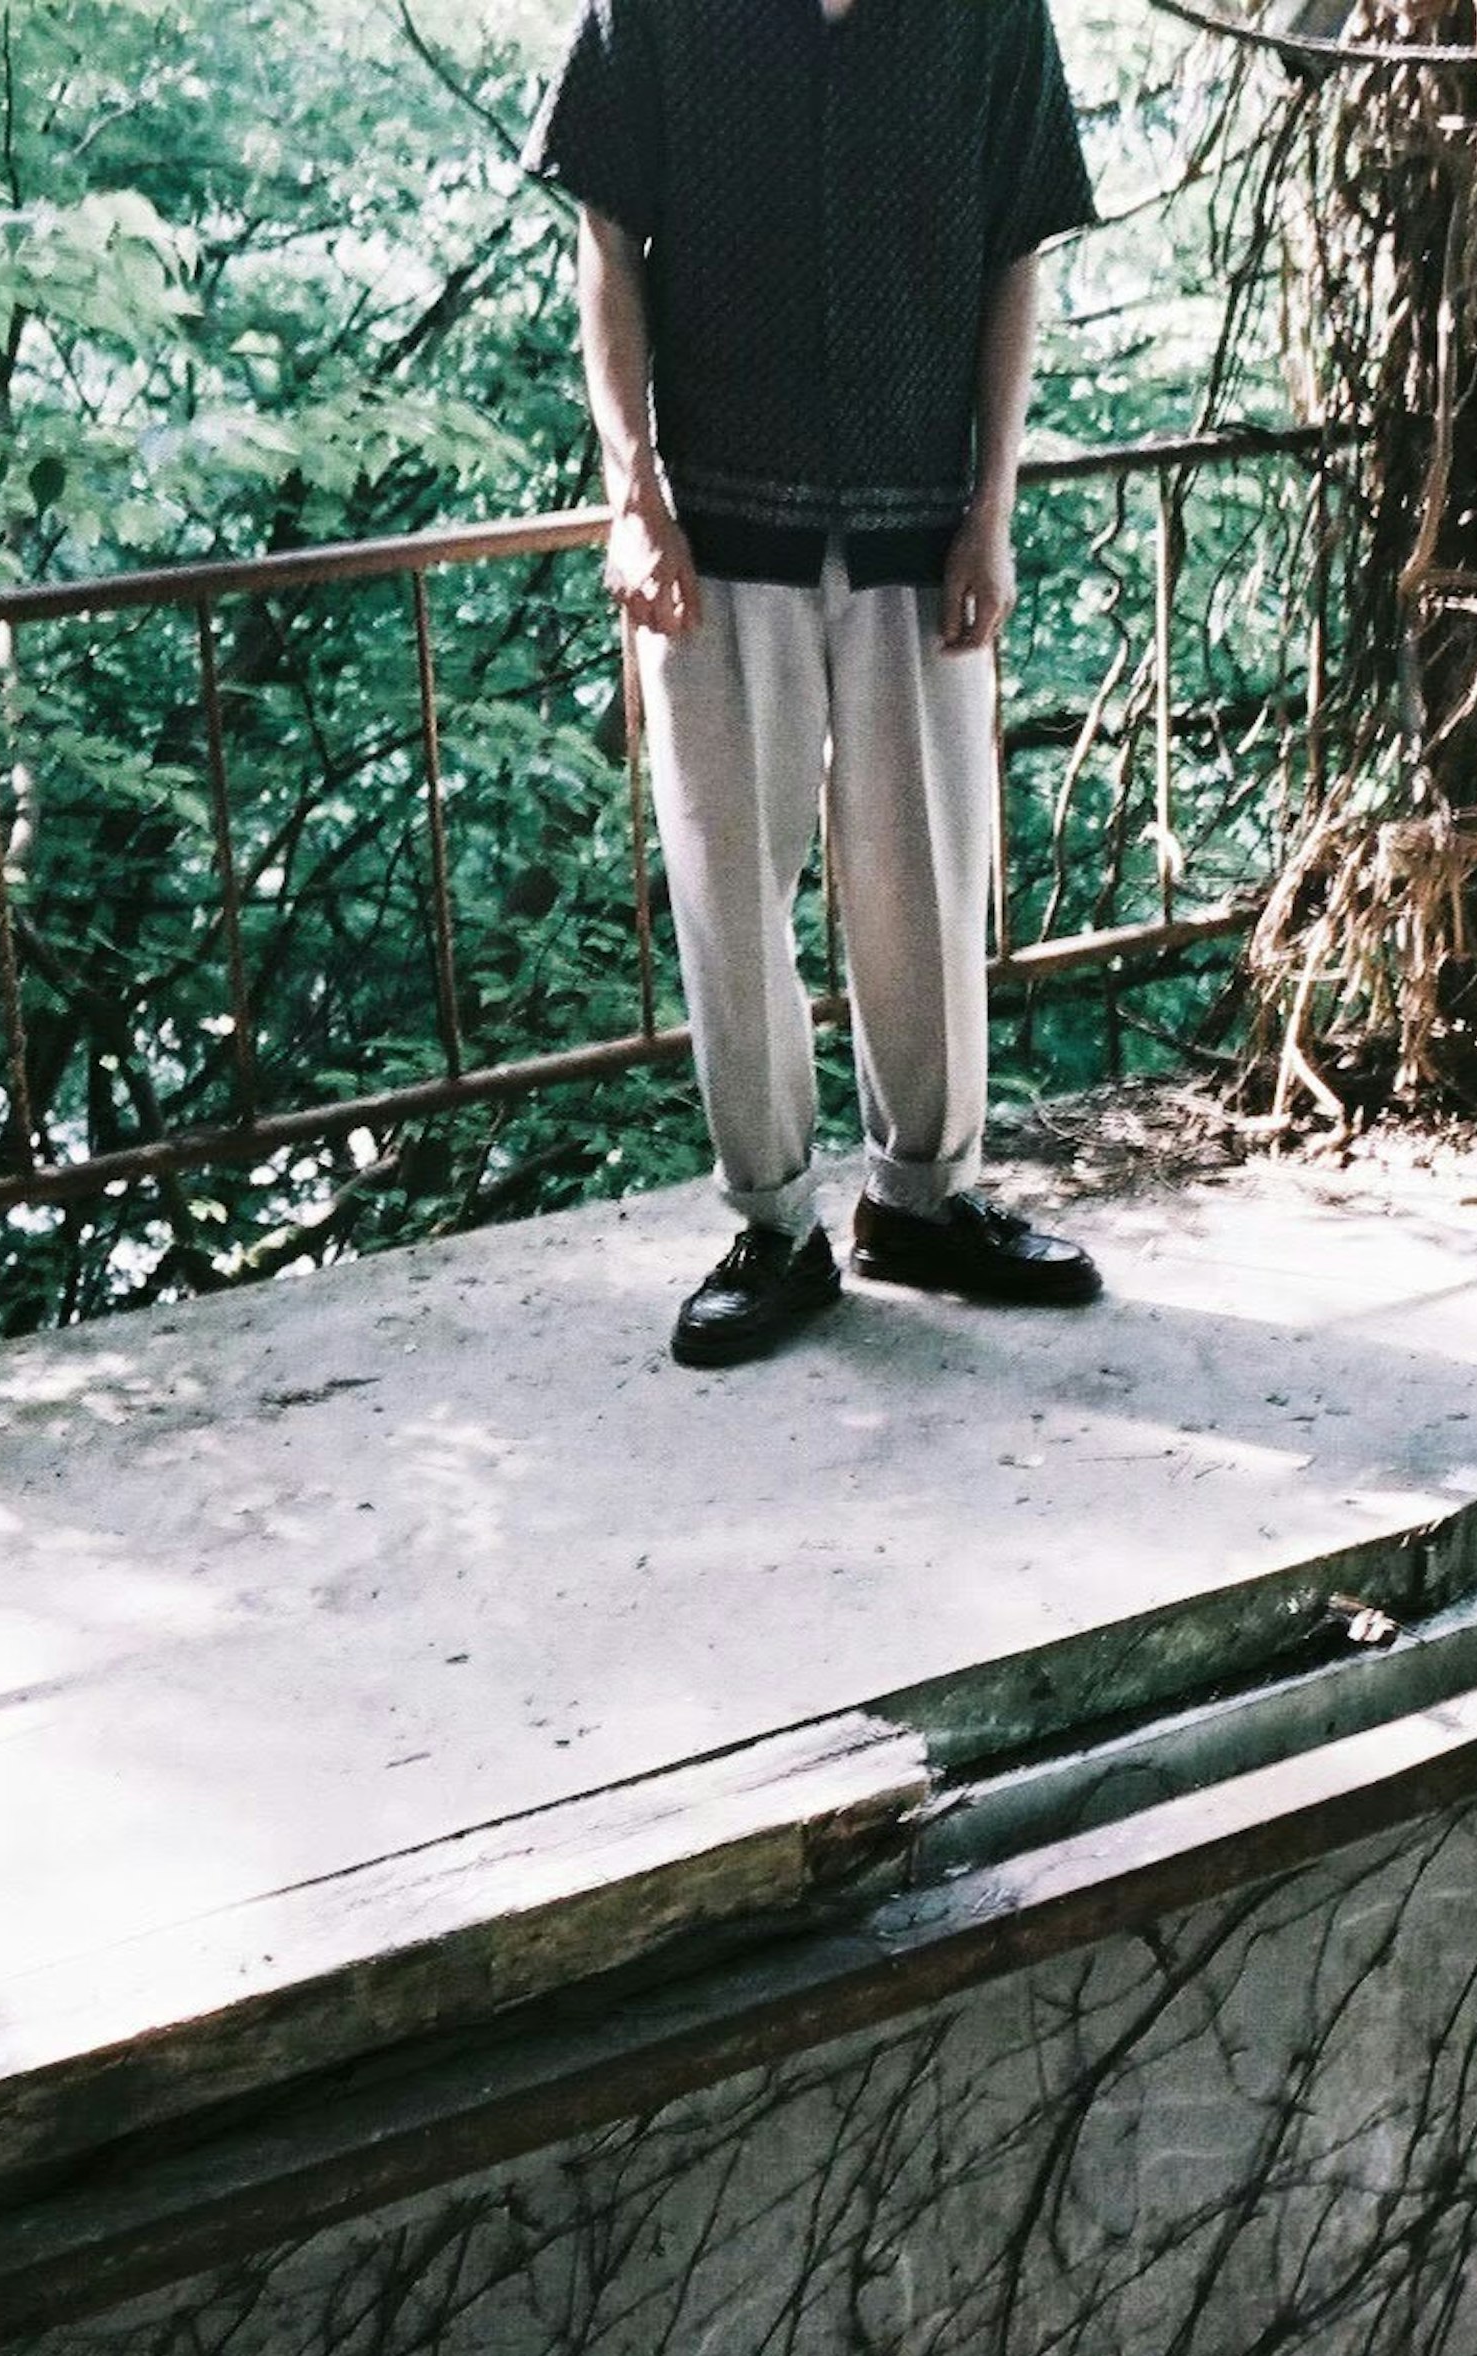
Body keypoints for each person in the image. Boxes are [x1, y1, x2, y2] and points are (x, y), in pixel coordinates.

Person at [525, 0, 1111, 1368]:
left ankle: (923, 1203)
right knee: (732, 889)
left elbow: (1014, 256)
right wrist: (630, 495)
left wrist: (994, 509)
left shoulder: (987, 20)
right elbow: (604, 241)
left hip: (923, 527)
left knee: (925, 878)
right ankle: (774, 1227)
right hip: (716, 537)